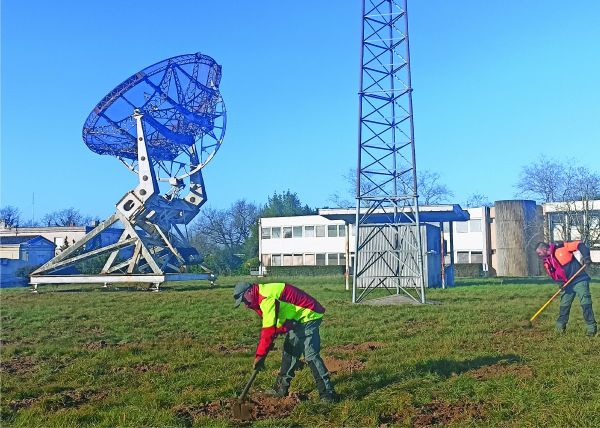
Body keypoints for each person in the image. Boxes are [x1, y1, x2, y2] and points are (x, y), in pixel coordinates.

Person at [233, 281, 338, 402]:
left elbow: (268, 329)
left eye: (244, 300)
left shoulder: (266, 297)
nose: (246, 305)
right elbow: (277, 318)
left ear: (249, 291)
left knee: (310, 356)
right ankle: (280, 389)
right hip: (296, 319)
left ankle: (327, 394)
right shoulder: (261, 294)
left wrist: (260, 355)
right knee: (289, 352)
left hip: (309, 315)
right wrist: (276, 333)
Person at [535, 241, 597, 336]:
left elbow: (579, 244)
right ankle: (559, 330)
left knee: (585, 303)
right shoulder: (546, 262)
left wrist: (586, 257)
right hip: (567, 284)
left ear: (544, 249)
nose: (538, 255)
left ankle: (591, 329)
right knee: (564, 305)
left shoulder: (561, 247)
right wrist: (560, 283)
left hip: (579, 279)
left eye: (539, 253)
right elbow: (554, 276)